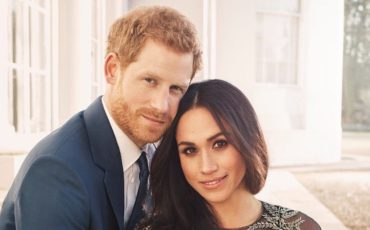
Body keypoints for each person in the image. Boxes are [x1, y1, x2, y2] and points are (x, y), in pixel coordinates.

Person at [0, 6, 201, 230]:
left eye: (175, 89)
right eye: (149, 80)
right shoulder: (57, 170)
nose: (161, 106)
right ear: (112, 69)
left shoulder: (154, 153)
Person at [142, 79, 321, 230]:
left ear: (247, 140)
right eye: (190, 150)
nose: (207, 167)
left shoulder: (301, 227)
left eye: (220, 144)